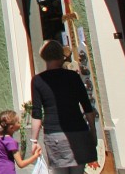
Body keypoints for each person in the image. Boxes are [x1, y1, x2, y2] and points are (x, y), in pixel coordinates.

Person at [29, 40, 98, 173]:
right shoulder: (73, 77)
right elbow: (87, 107)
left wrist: (34, 140)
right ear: (61, 56)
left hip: (55, 134)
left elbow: (37, 113)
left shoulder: (38, 80)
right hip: (78, 131)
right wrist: (93, 131)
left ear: (44, 57)